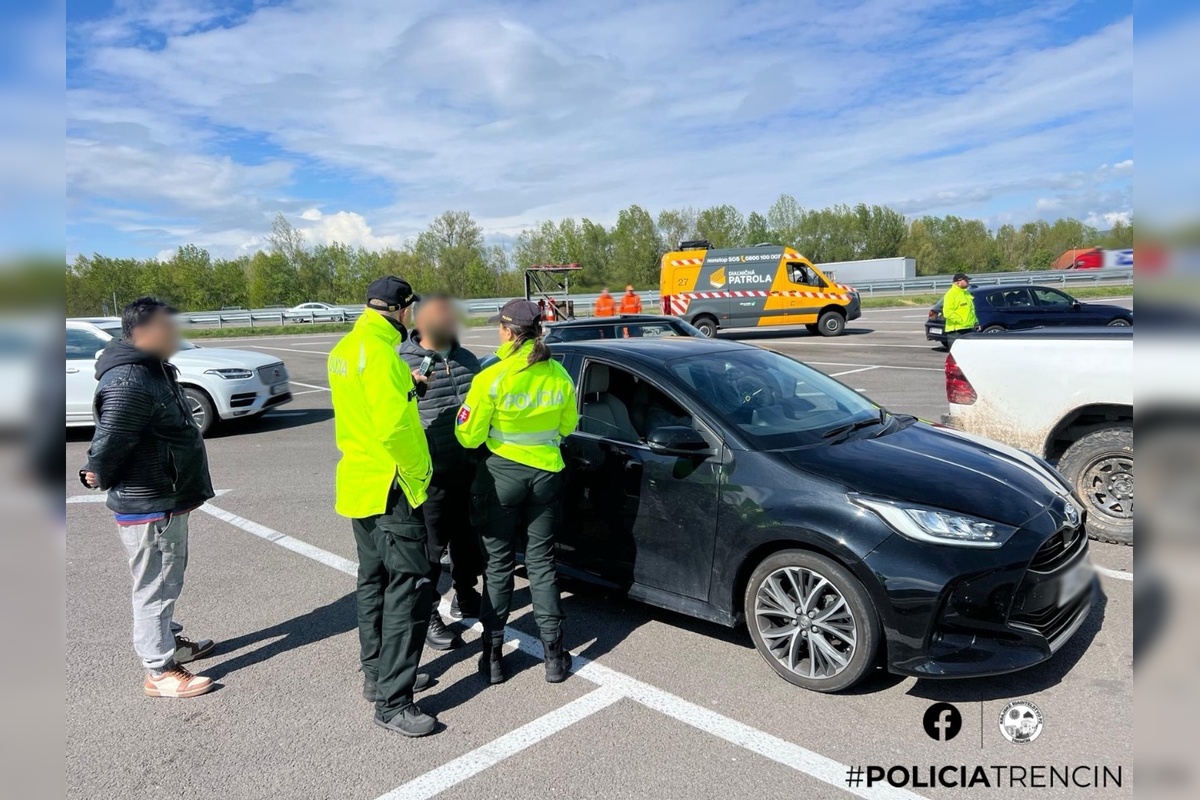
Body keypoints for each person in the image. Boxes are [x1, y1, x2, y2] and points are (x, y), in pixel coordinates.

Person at [81, 297, 216, 699]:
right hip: (149, 500)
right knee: (155, 584)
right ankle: (159, 670)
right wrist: (97, 471)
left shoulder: (151, 368)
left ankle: (170, 643)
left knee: (166, 578)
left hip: (166, 496)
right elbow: (111, 440)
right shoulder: (129, 380)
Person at [328, 276, 439, 738]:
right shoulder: (381, 356)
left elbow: (368, 408)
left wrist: (408, 386)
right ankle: (395, 702)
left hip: (359, 481)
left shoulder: (346, 349)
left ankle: (376, 676)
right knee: (408, 589)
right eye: (411, 309)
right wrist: (420, 474)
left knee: (372, 581)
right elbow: (395, 429)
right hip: (392, 485)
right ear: (401, 309)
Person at [455, 299, 579, 685]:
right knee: (541, 563)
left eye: (500, 328)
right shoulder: (557, 372)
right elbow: (568, 426)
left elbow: (468, 434)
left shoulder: (493, 375)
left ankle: (492, 658)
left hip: (502, 476)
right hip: (546, 474)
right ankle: (555, 657)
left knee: (498, 565)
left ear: (509, 332)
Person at [398, 294, 484, 647]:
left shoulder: (467, 359)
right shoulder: (402, 362)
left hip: (468, 467)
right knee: (432, 550)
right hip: (429, 474)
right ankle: (429, 611)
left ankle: (466, 594)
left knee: (467, 540)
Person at [942, 272, 979, 350]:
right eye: (965, 280)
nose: (968, 282)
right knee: (957, 356)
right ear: (958, 282)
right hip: (956, 332)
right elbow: (947, 313)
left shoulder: (966, 293)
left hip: (969, 329)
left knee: (969, 354)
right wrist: (961, 321)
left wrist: (976, 322)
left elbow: (971, 310)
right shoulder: (951, 294)